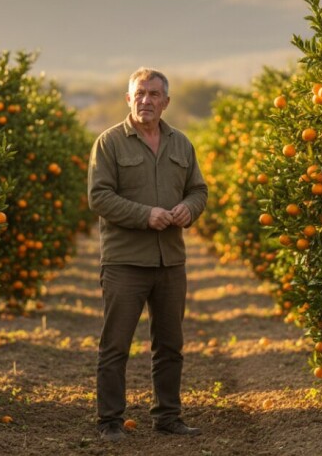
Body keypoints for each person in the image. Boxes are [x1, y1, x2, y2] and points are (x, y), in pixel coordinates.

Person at [87, 67, 208, 442]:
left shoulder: (181, 144)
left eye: (154, 94)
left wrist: (190, 208)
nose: (146, 100)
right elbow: (99, 197)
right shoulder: (109, 143)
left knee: (170, 344)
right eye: (139, 93)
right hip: (125, 262)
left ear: (166, 101)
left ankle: (168, 415)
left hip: (170, 261)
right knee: (116, 345)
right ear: (128, 99)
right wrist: (146, 215)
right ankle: (110, 420)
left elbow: (198, 190)